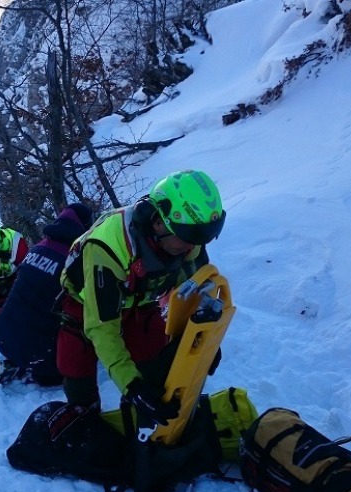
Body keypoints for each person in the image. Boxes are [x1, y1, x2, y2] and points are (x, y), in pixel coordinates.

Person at [56, 170, 226, 417]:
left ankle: (140, 419)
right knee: (76, 365)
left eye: (201, 237)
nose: (192, 246)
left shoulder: (188, 237)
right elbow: (102, 327)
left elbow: (194, 293)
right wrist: (132, 388)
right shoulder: (108, 246)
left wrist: (203, 340)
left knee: (156, 361)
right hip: (84, 302)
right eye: (187, 237)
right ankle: (85, 416)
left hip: (139, 298)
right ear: (158, 221)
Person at [0, 203, 94, 386]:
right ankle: (34, 370)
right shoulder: (74, 260)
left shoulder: (38, 247)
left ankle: (22, 359)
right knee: (60, 371)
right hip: (35, 351)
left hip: (2, 335)